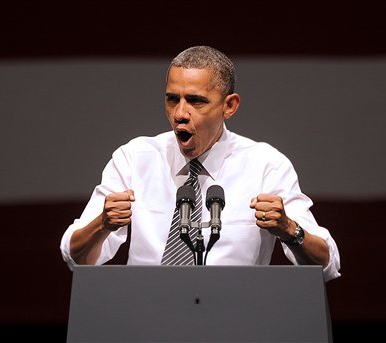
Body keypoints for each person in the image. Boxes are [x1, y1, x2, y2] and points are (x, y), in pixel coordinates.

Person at [60, 45, 340, 282]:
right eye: (172, 99)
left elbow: (326, 266)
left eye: (195, 101)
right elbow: (76, 258)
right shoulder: (134, 158)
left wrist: (290, 230)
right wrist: (103, 224)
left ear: (229, 106)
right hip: (144, 319)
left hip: (235, 321)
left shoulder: (266, 165)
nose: (180, 113)